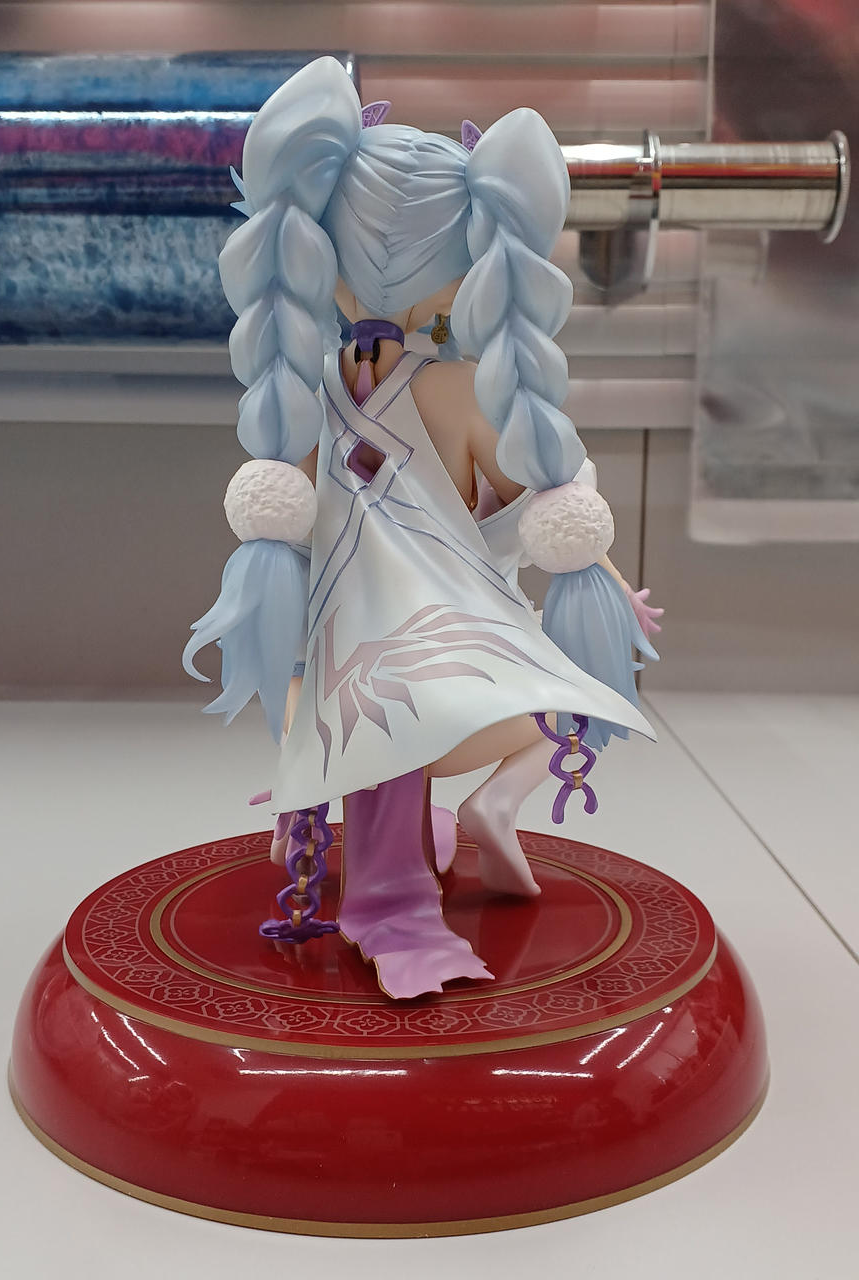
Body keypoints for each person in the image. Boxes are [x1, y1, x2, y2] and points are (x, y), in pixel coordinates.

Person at [185, 56, 663, 998]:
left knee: (427, 683)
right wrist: (596, 573)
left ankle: (368, 836)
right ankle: (402, 890)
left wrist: (587, 570)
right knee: (465, 694)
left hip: (368, 651)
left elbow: (525, 503)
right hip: (390, 659)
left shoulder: (324, 389)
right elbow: (548, 508)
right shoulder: (444, 392)